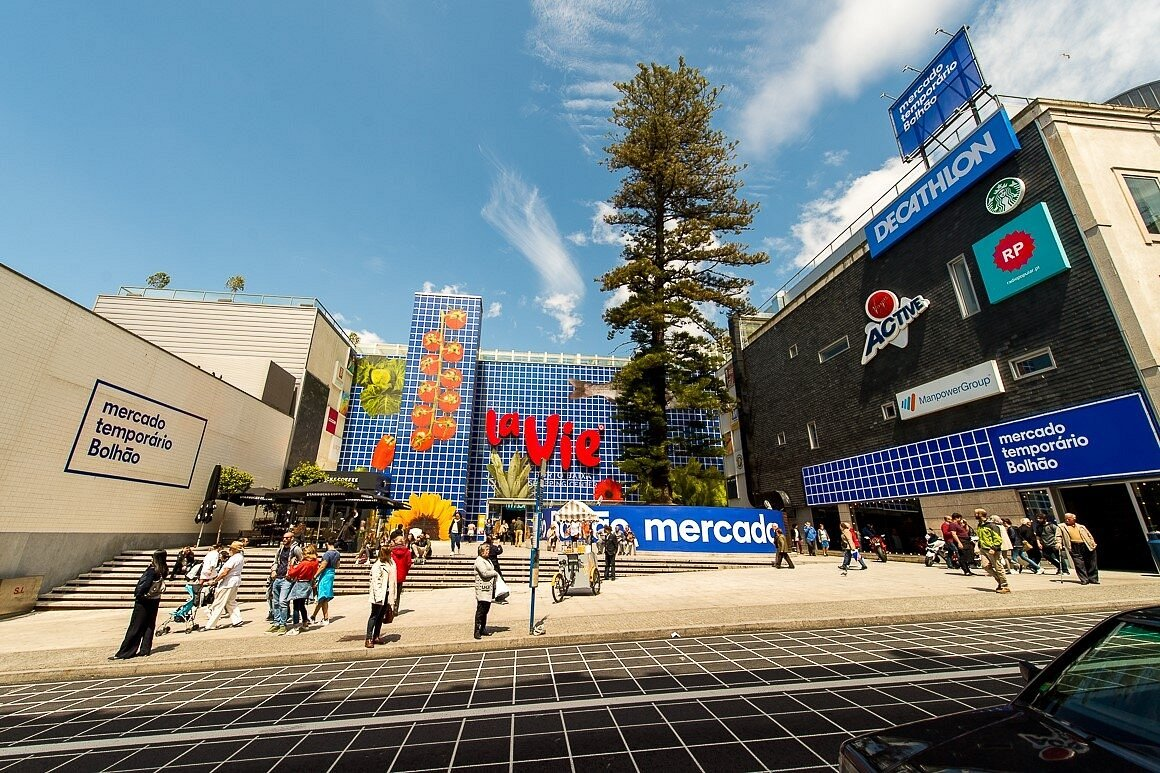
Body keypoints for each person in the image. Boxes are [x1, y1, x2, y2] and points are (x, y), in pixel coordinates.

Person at [111, 549, 168, 660]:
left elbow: (144, 585)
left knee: (135, 626)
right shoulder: (163, 569)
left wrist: (138, 594)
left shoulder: (152, 570)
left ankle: (126, 652)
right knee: (149, 625)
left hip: (144, 600)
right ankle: (145, 649)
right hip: (155, 599)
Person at [204, 541, 246, 630]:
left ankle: (211, 624)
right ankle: (237, 620)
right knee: (231, 601)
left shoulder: (234, 558)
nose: (229, 550)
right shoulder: (240, 557)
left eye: (231, 548)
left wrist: (215, 580)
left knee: (219, 603)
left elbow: (225, 572)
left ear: (234, 549)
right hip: (234, 581)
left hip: (228, 582)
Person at [268, 531, 303, 635]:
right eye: (283, 538)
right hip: (277, 577)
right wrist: (273, 570)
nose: (284, 540)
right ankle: (276, 623)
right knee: (275, 602)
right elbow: (275, 562)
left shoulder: (296, 549)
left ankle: (283, 624)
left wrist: (293, 569)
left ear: (292, 538)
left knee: (283, 601)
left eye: (287, 538)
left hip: (287, 579)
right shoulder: (280, 549)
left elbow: (302, 562)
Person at [365, 545, 396, 648]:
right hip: (379, 594)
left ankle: (376, 636)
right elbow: (376, 582)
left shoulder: (390, 563)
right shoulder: (377, 566)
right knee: (374, 616)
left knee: (380, 616)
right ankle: (368, 638)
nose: (391, 554)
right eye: (389, 553)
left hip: (387, 593)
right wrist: (378, 596)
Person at [285, 545, 320, 635]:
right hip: (308, 583)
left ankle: (296, 627)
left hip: (300, 583)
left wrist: (291, 564)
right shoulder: (315, 562)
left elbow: (292, 573)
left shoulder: (304, 563)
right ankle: (305, 623)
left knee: (296, 606)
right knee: (302, 605)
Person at [976, 512, 1011, 593]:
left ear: (981, 515)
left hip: (992, 549)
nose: (975, 516)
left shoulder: (992, 526)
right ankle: (999, 580)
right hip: (983, 548)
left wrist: (994, 548)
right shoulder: (980, 525)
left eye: (976, 514)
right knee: (985, 566)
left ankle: (1005, 586)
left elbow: (998, 539)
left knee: (998, 567)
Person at [1062, 512, 1099, 584]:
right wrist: (1058, 544)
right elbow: (1058, 536)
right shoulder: (1062, 527)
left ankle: (1093, 578)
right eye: (1066, 519)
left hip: (1086, 544)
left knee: (1091, 562)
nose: (1067, 520)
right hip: (1074, 545)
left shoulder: (1081, 526)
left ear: (1074, 519)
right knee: (1079, 563)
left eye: (1069, 519)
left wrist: (1093, 543)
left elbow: (1089, 535)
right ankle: (1084, 579)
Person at [311, 539, 340, 625]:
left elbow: (323, 566)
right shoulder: (337, 553)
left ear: (327, 544)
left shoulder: (327, 554)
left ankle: (324, 618)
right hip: (332, 573)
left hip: (325, 575)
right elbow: (338, 565)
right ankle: (315, 616)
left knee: (322, 596)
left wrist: (315, 575)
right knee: (324, 597)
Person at [473, 543, 499, 639]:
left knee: (486, 610)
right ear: (481, 552)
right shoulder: (479, 561)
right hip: (482, 589)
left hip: (488, 589)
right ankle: (477, 630)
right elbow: (484, 573)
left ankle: (483, 628)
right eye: (486, 550)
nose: (488, 552)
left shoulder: (487, 560)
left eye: (488, 550)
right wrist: (495, 573)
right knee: (481, 610)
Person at [169, 547, 198, 622]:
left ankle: (187, 576)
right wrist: (183, 555)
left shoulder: (191, 554)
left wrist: (186, 565)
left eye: (188, 550)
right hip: (180, 566)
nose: (187, 551)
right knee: (176, 565)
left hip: (187, 567)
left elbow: (192, 561)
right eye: (186, 550)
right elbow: (178, 561)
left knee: (189, 568)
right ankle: (172, 576)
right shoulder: (180, 554)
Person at [390, 535, 413, 615]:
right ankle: (396, 609)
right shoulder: (407, 552)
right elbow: (408, 563)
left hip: (391, 574)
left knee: (390, 591)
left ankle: (389, 608)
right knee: (398, 593)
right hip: (401, 574)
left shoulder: (391, 551)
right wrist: (405, 572)